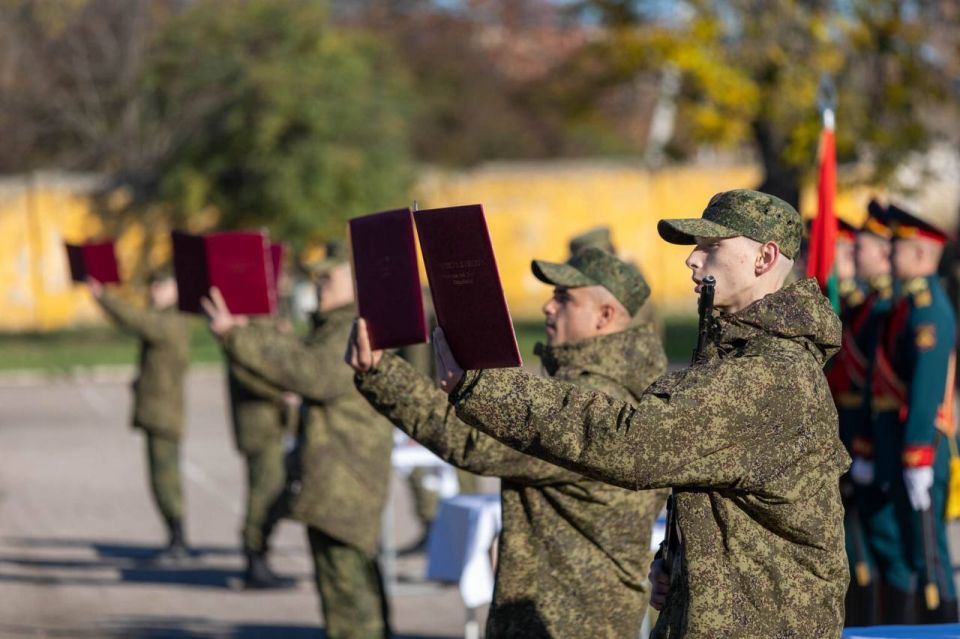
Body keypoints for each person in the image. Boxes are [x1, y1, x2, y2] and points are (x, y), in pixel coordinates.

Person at [431, 189, 849, 638]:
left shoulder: (769, 374)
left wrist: (481, 383)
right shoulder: (741, 360)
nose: (692, 260)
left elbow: (632, 443)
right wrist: (684, 565)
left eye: (711, 247)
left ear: (765, 257)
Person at [347, 247, 667, 638]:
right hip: (567, 612)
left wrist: (383, 373)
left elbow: (473, 442)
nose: (549, 308)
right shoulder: (599, 388)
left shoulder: (599, 399)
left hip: (569, 618)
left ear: (605, 316)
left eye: (565, 298)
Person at [203, 241, 393, 639]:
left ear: (357, 282)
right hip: (335, 482)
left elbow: (314, 375)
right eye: (317, 275)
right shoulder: (336, 325)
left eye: (329, 275)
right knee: (351, 593)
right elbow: (294, 362)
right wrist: (241, 334)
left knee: (350, 605)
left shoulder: (352, 326)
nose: (319, 283)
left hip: (345, 484)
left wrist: (239, 337)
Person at [856, 203, 958, 623]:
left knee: (929, 557)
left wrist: (917, 453)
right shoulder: (904, 305)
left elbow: (927, 390)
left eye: (898, 247)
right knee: (904, 553)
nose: (889, 254)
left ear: (919, 255)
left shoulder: (928, 309)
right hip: (895, 442)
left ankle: (947, 628)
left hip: (921, 449)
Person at [88, 268, 192, 560]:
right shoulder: (165, 319)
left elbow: (136, 321)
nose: (153, 291)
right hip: (157, 411)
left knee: (165, 479)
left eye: (161, 285)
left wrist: (102, 296)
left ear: (177, 289)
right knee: (161, 479)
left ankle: (178, 542)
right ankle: (176, 539)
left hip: (164, 415)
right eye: (153, 285)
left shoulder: (171, 321)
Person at [827, 202, 894, 625]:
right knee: (858, 539)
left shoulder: (883, 306)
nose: (852, 257)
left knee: (891, 547)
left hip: (873, 433)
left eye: (855, 248)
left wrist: (866, 443)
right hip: (854, 429)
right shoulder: (863, 304)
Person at [223, 316, 298, 589]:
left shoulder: (264, 325)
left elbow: (284, 359)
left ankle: (260, 553)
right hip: (257, 427)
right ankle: (254, 558)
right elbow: (246, 372)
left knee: (274, 490)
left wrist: (284, 334)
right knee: (262, 493)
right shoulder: (237, 330)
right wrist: (280, 394)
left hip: (275, 425)